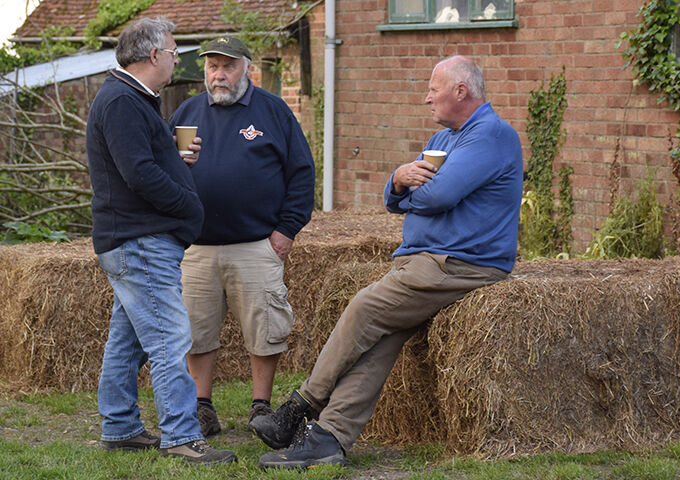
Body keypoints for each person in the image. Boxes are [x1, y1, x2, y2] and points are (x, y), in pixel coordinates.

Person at [249, 55, 524, 469]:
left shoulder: (492, 135)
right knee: (380, 341)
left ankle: (300, 405)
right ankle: (329, 438)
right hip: (426, 262)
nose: (426, 98)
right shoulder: (445, 138)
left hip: (461, 264)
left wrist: (412, 191)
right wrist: (397, 180)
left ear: (460, 91)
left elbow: (439, 195)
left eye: (433, 90)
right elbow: (395, 198)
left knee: (365, 306)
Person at [86, 17, 236, 465]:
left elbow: (142, 161)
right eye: (173, 52)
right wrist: (187, 206)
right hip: (140, 240)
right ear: (153, 55)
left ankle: (119, 426)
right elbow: (139, 174)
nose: (176, 60)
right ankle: (181, 435)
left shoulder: (132, 99)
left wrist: (172, 154)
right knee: (171, 337)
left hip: (134, 239)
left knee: (128, 341)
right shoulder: (122, 101)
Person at [168, 36, 315, 437]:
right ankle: (202, 406)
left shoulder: (272, 111)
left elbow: (302, 174)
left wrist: (286, 231)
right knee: (196, 331)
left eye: (228, 66)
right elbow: (162, 170)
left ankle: (260, 406)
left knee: (265, 329)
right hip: (197, 246)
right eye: (212, 66)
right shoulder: (186, 113)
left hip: (256, 244)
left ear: (247, 68)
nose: (219, 75)